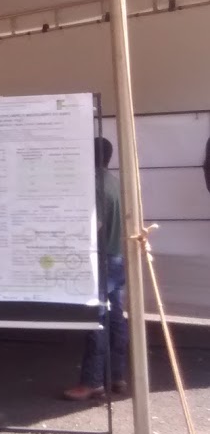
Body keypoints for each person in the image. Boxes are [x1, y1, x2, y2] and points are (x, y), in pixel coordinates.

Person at [64, 138, 128, 401]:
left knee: (96, 318)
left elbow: (95, 225)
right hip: (117, 256)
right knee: (116, 317)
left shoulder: (96, 185)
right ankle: (117, 376)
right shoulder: (114, 182)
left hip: (101, 259)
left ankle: (92, 382)